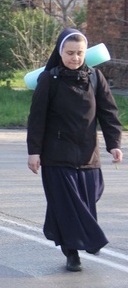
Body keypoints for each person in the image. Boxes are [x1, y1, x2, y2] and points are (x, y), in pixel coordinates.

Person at [27, 28, 122, 272]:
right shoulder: (49, 79)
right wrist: (34, 152)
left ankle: (86, 236)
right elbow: (37, 118)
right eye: (70, 53)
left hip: (88, 153)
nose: (75, 58)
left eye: (79, 53)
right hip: (56, 155)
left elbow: (108, 113)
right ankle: (73, 252)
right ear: (60, 53)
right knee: (66, 204)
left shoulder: (94, 77)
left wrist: (114, 144)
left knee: (89, 199)